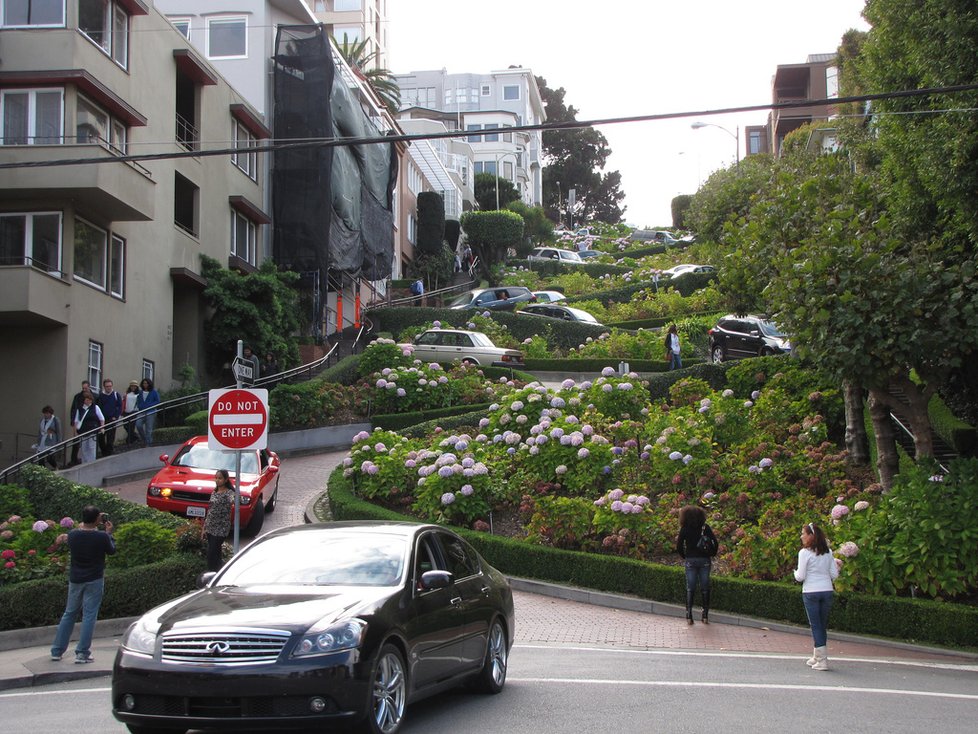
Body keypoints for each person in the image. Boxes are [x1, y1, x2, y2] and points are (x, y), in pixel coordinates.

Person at [50, 505, 116, 664]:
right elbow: (112, 551)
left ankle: (57, 650)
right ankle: (82, 652)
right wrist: (109, 534)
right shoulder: (101, 537)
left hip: (76, 579)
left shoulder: (73, 535)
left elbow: (78, 533)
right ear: (97, 520)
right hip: (94, 578)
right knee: (89, 615)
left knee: (69, 613)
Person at [794, 522, 839, 671]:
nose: (801, 536)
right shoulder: (828, 552)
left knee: (816, 625)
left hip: (811, 591)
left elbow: (800, 577)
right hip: (827, 590)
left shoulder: (804, 553)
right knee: (822, 624)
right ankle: (817, 655)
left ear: (810, 536)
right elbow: (834, 574)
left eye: (803, 534)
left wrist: (794, 572)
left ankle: (822, 660)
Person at [675, 505, 718, 625]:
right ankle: (705, 615)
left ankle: (689, 615)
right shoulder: (705, 528)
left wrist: (685, 556)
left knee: (690, 588)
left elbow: (679, 546)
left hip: (691, 560)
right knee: (705, 587)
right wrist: (712, 553)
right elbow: (715, 542)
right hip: (704, 560)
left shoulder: (684, 529)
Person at [202, 469, 234, 572]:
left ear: (225, 480)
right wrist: (204, 528)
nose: (217, 480)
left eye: (220, 478)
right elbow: (210, 510)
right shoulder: (214, 492)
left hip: (221, 528)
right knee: (216, 554)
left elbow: (234, 500)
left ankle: (213, 573)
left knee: (211, 554)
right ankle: (219, 573)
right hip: (210, 526)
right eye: (216, 478)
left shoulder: (229, 493)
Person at [73, 392, 104, 464]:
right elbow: (76, 421)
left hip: (92, 430)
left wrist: (102, 428)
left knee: (91, 447)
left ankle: (91, 463)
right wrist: (75, 432)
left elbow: (101, 418)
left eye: (89, 400)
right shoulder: (80, 409)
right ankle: (84, 463)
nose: (87, 401)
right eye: (86, 400)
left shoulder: (95, 407)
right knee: (84, 448)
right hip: (83, 431)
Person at [97, 378, 122, 457]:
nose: (109, 388)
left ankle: (109, 453)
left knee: (110, 437)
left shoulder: (115, 394)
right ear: (104, 386)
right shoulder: (101, 396)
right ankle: (104, 452)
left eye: (110, 386)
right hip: (103, 420)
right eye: (107, 386)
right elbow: (99, 407)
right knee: (100, 437)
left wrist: (116, 416)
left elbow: (120, 406)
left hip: (112, 419)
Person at [67, 380, 90, 467]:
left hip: (88, 422)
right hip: (79, 420)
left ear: (89, 387)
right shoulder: (77, 397)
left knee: (88, 441)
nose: (84, 390)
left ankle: (86, 459)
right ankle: (74, 459)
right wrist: (73, 421)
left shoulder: (94, 397)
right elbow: (73, 409)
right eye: (83, 388)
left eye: (86, 388)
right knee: (76, 440)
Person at [134, 378, 160, 445]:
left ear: (149, 384)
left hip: (151, 411)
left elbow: (157, 401)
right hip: (141, 411)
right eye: (144, 383)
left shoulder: (154, 392)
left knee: (148, 429)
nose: (145, 385)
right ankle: (144, 439)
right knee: (138, 424)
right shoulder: (140, 392)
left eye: (146, 383)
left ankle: (148, 443)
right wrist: (140, 406)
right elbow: (138, 401)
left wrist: (149, 405)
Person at [121, 380, 140, 444]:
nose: (133, 387)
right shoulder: (126, 394)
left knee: (131, 427)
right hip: (126, 412)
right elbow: (123, 402)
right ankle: (136, 437)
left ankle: (129, 441)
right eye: (132, 386)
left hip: (134, 412)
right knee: (125, 426)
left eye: (135, 386)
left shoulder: (138, 394)